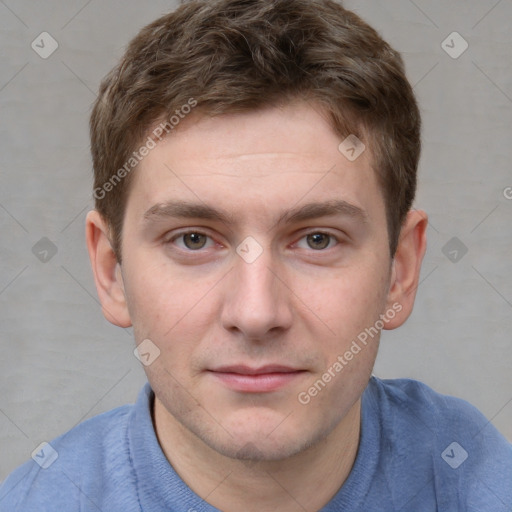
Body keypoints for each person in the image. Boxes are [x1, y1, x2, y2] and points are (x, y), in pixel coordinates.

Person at [1, 0, 511, 510]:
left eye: (318, 239)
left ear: (400, 270)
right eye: (194, 240)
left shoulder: (478, 478)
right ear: (112, 272)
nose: (256, 313)